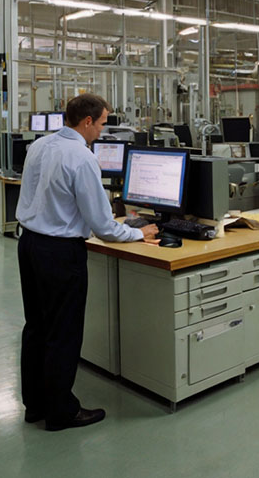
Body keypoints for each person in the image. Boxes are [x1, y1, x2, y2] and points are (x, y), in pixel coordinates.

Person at [16, 94, 159, 431]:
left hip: (30, 244)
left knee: (36, 327)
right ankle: (61, 412)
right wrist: (138, 233)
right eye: (102, 123)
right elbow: (103, 226)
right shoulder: (82, 158)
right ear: (87, 122)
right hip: (60, 253)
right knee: (62, 333)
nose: (102, 131)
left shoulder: (40, 146)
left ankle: (35, 405)